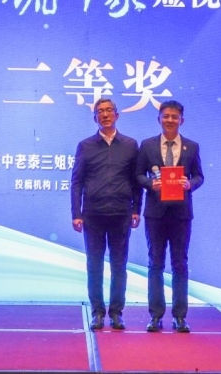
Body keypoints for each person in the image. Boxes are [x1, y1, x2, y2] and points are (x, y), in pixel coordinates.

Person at [71, 98, 142, 331]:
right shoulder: (85, 146)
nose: (105, 114)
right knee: (94, 265)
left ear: (117, 115)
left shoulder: (130, 145)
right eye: (100, 111)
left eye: (109, 110)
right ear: (95, 118)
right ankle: (98, 312)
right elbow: (77, 181)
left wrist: (136, 209)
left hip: (121, 214)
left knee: (119, 266)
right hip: (93, 215)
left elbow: (136, 181)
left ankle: (117, 312)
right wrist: (76, 213)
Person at [136, 100, 204, 333]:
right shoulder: (147, 145)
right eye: (166, 116)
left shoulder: (192, 147)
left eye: (174, 117)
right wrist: (150, 184)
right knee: (155, 263)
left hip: (181, 213)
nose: (170, 120)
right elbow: (137, 175)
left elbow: (199, 176)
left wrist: (190, 184)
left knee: (180, 264)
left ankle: (180, 317)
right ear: (159, 119)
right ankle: (155, 316)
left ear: (181, 120)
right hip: (155, 213)